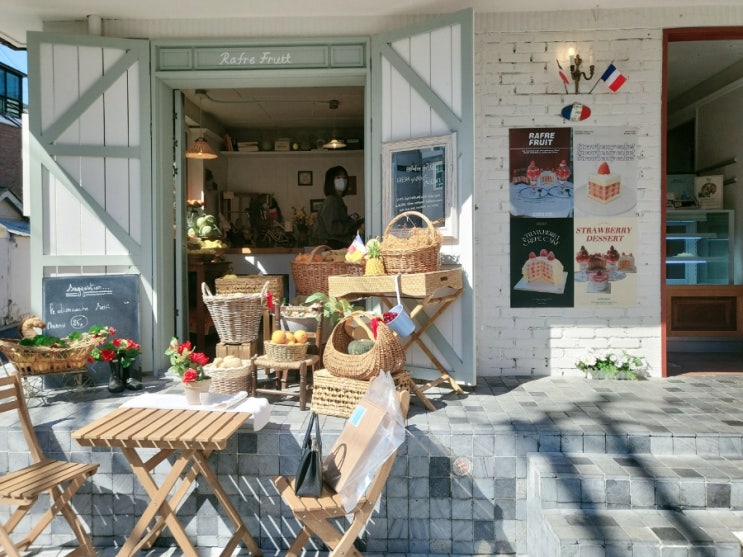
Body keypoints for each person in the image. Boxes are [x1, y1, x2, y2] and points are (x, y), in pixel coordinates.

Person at [312, 165, 363, 249]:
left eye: (344, 178)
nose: (342, 180)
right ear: (330, 181)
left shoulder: (337, 200)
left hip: (337, 245)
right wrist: (352, 223)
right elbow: (333, 229)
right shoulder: (331, 200)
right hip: (333, 246)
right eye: (338, 178)